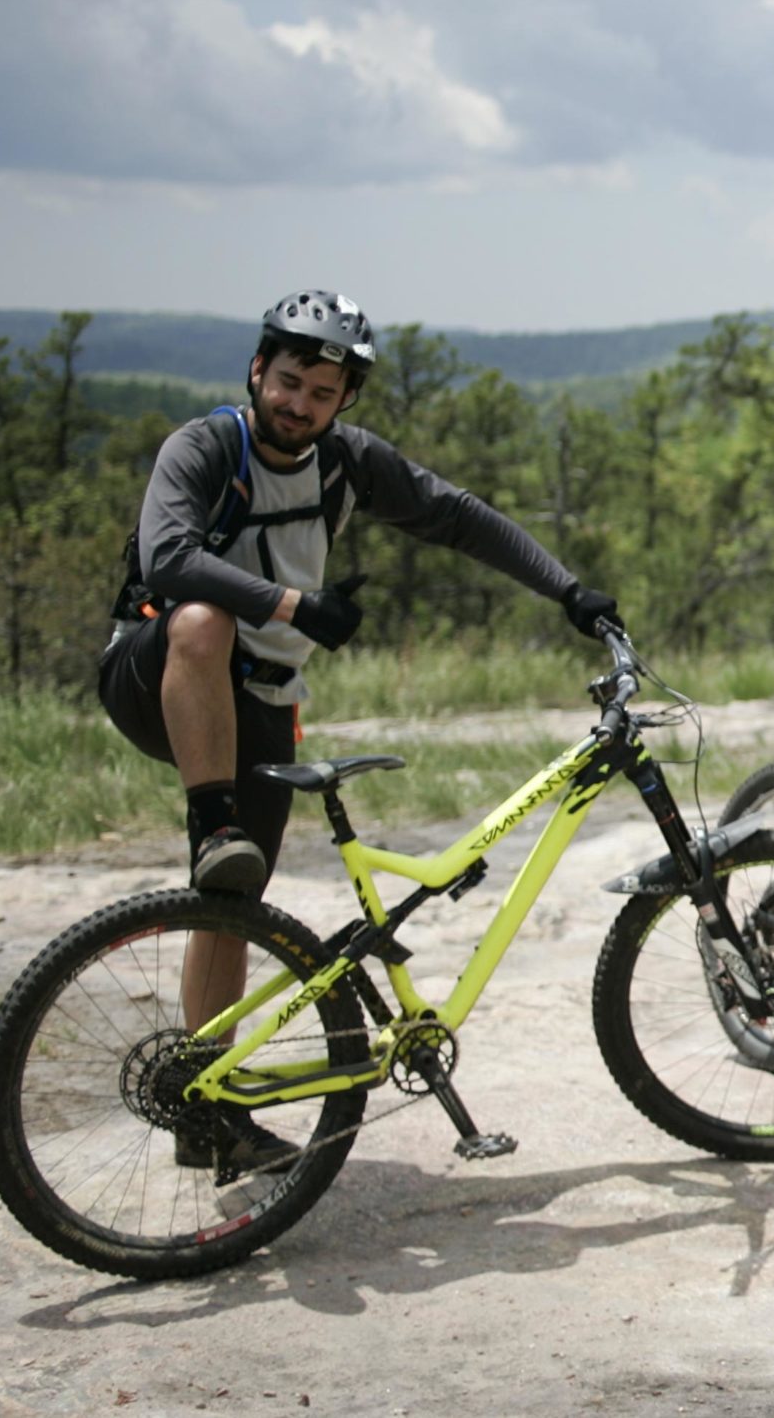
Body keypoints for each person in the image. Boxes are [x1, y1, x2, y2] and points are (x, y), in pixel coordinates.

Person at [100, 290, 617, 1172]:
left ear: (343, 403)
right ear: (258, 370)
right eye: (289, 380)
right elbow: (170, 560)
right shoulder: (205, 446)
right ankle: (211, 818)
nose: (299, 403)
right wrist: (294, 602)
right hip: (157, 672)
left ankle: (205, 1105)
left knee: (232, 906)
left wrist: (569, 589)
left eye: (321, 392)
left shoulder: (343, 463)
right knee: (201, 620)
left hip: (260, 699)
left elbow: (459, 515)